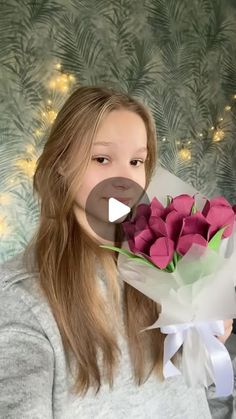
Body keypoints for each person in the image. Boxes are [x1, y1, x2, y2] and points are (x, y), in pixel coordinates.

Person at [0, 85, 232, 418]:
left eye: (136, 161)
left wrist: (206, 342)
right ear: (62, 162)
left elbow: (185, 390)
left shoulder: (168, 261)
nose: (125, 178)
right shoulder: (19, 299)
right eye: (102, 158)